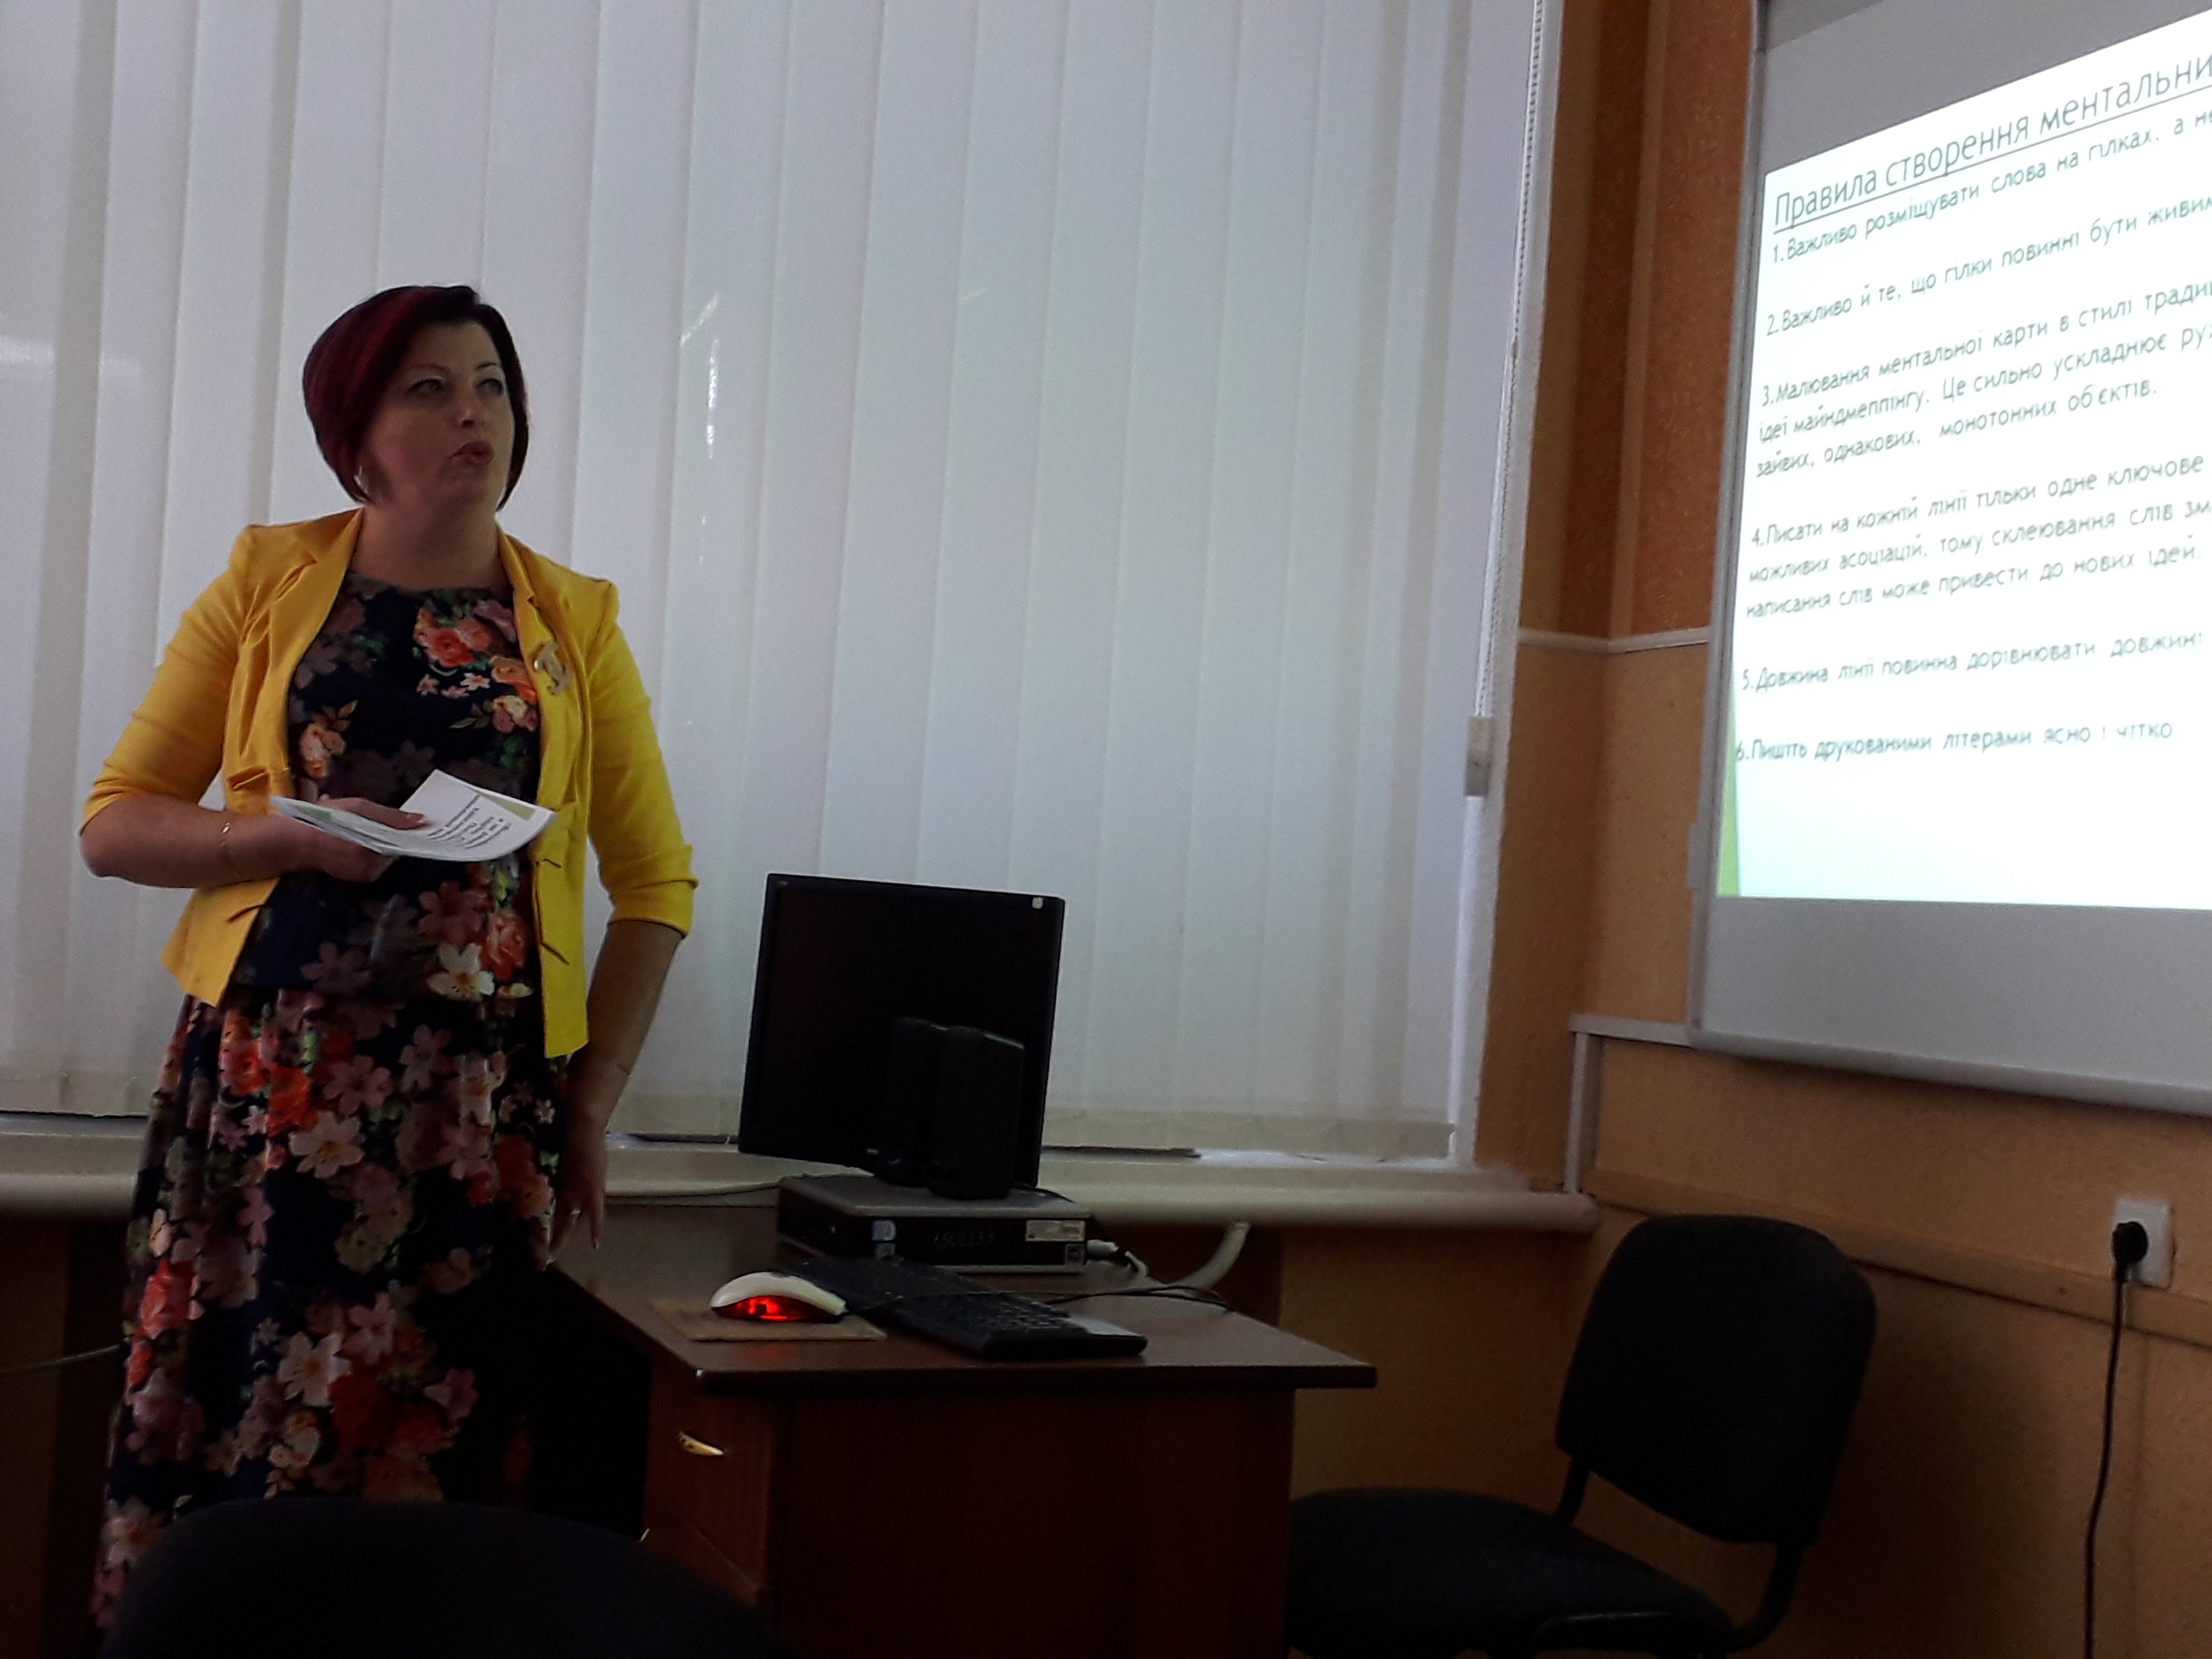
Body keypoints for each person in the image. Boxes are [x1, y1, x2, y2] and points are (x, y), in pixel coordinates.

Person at [78, 285, 695, 1624]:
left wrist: (589, 1106)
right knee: (252, 1432)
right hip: (275, 1089)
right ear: (355, 438)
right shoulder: (270, 583)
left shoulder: (573, 621)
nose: (475, 413)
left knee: (446, 1455)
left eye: (492, 385)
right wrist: (280, 838)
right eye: (430, 387)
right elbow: (115, 826)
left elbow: (656, 884)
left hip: (479, 1108)